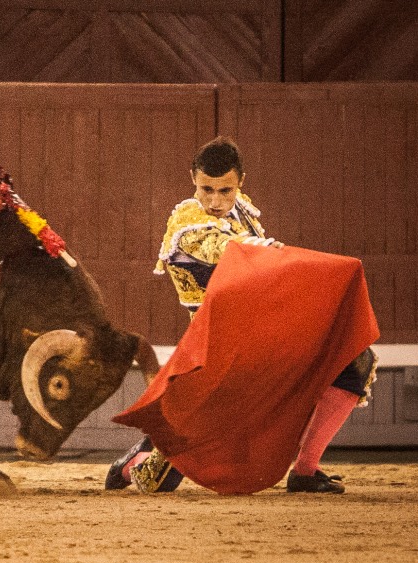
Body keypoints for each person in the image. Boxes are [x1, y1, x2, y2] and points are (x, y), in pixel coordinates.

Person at [105, 136, 378, 495]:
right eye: (206, 189)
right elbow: (221, 247)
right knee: (161, 480)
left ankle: (306, 470)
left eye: (225, 190)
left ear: (241, 182)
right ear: (192, 179)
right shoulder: (186, 222)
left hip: (257, 342)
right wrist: (259, 248)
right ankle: (133, 463)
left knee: (356, 359)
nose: (215, 201)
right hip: (215, 365)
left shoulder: (244, 213)